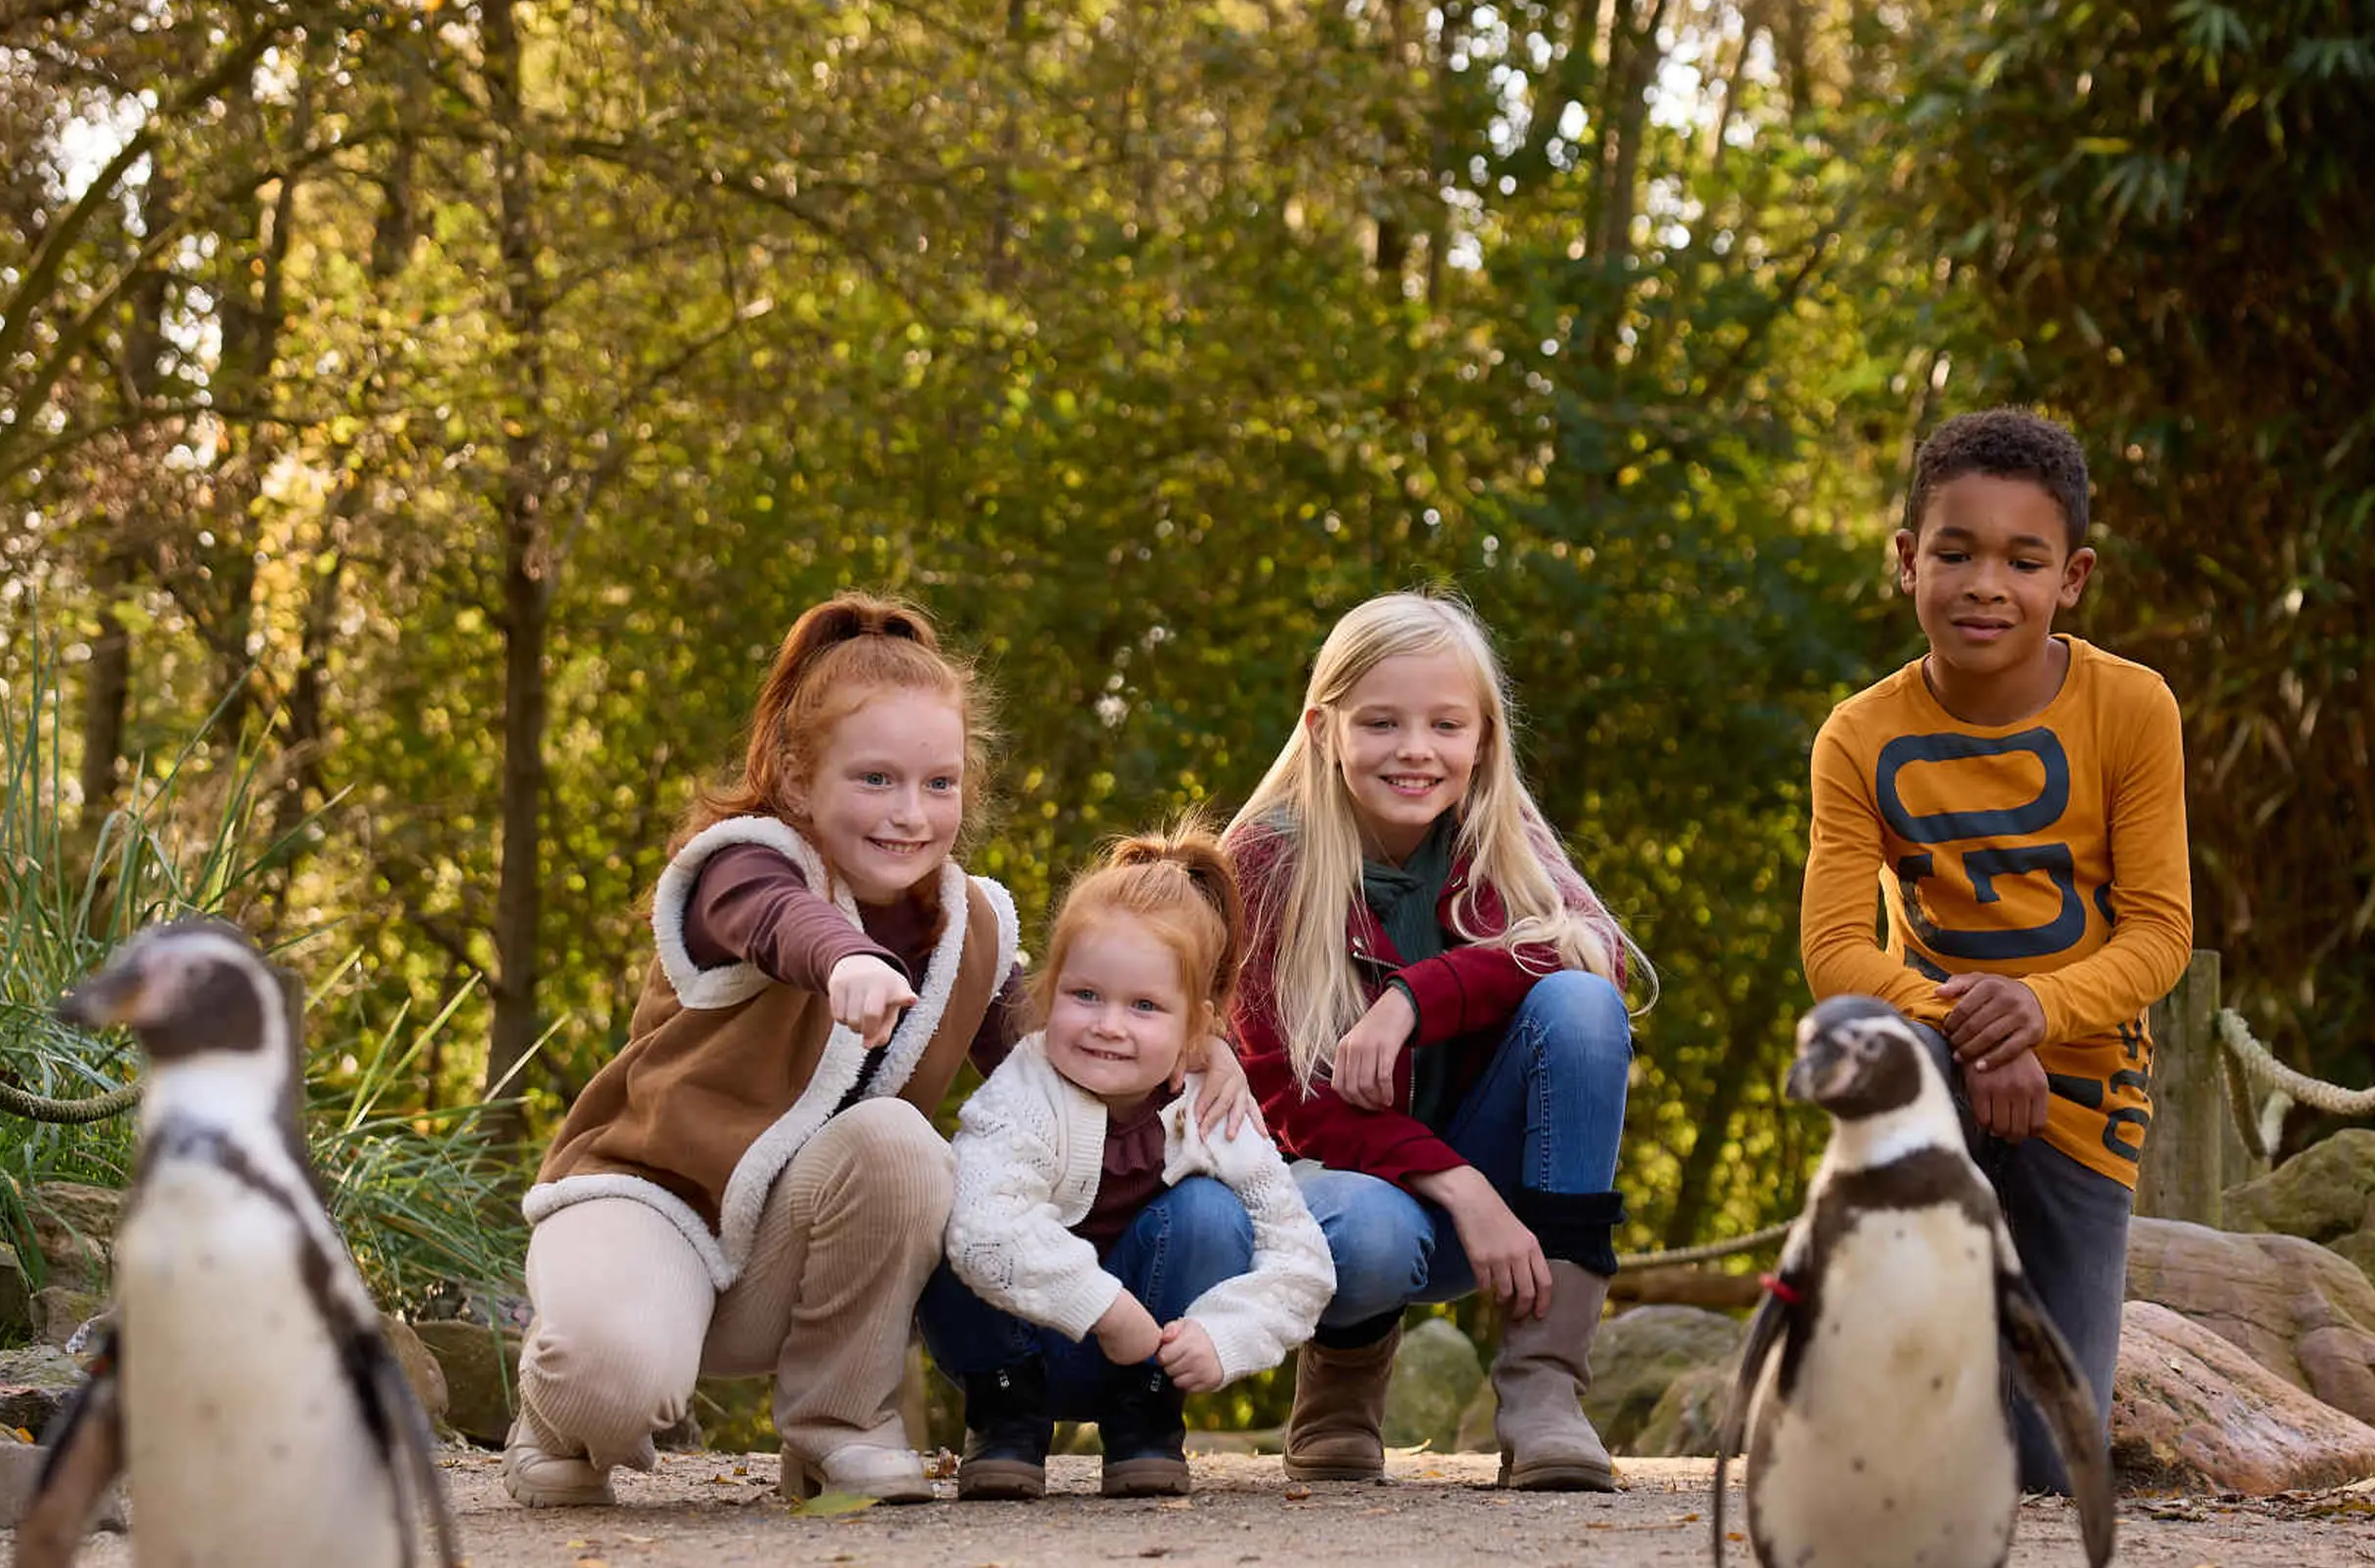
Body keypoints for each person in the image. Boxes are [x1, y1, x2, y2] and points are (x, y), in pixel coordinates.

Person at [506, 592, 1021, 1508]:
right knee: (610, 1384)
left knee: (903, 1143)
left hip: (785, 1260)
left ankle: (840, 1423)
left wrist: (1193, 1060)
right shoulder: (739, 862)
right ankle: (555, 1417)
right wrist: (848, 959)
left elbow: (1059, 1059)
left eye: (938, 784)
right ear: (795, 779)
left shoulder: (969, 924)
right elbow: (780, 919)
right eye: (875, 780)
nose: (910, 814)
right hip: (649, 1206)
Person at [1797, 408, 2193, 1486]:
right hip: (1935, 1067)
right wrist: (1978, 1024)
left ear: (2072, 577)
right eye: (1956, 552)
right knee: (1853, 1034)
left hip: (2084, 1096)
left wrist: (2042, 1012)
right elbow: (1836, 951)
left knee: (2051, 1469)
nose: (1985, 584)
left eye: (2024, 560)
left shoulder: (2131, 707)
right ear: (1906, 561)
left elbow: (2162, 931)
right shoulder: (1860, 734)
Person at [1228, 590, 1645, 1492]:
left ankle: (1544, 1391)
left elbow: (1598, 954)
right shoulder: (1262, 864)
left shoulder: (1496, 832)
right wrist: (1460, 1189)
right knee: (1371, 1230)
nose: (1416, 750)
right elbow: (1287, 1105)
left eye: (1446, 724)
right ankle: (1340, 1389)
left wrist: (1415, 997)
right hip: (1345, 1209)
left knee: (1579, 1005)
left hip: (1499, 1213)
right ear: (1323, 727)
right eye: (1380, 722)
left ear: (1484, 738)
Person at [929, 822, 1335, 1501]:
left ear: (1196, 1029)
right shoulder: (1026, 1089)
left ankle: (1143, 1420)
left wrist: (1224, 1335)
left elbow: (1303, 1260)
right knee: (949, 1198)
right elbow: (983, 1232)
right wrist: (1109, 1310)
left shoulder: (1213, 1109)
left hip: (1153, 1354)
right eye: (1085, 995)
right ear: (1048, 993)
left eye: (1145, 1007)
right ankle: (1006, 1424)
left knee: (1211, 1211)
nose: (1109, 1025)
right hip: (1016, 1343)